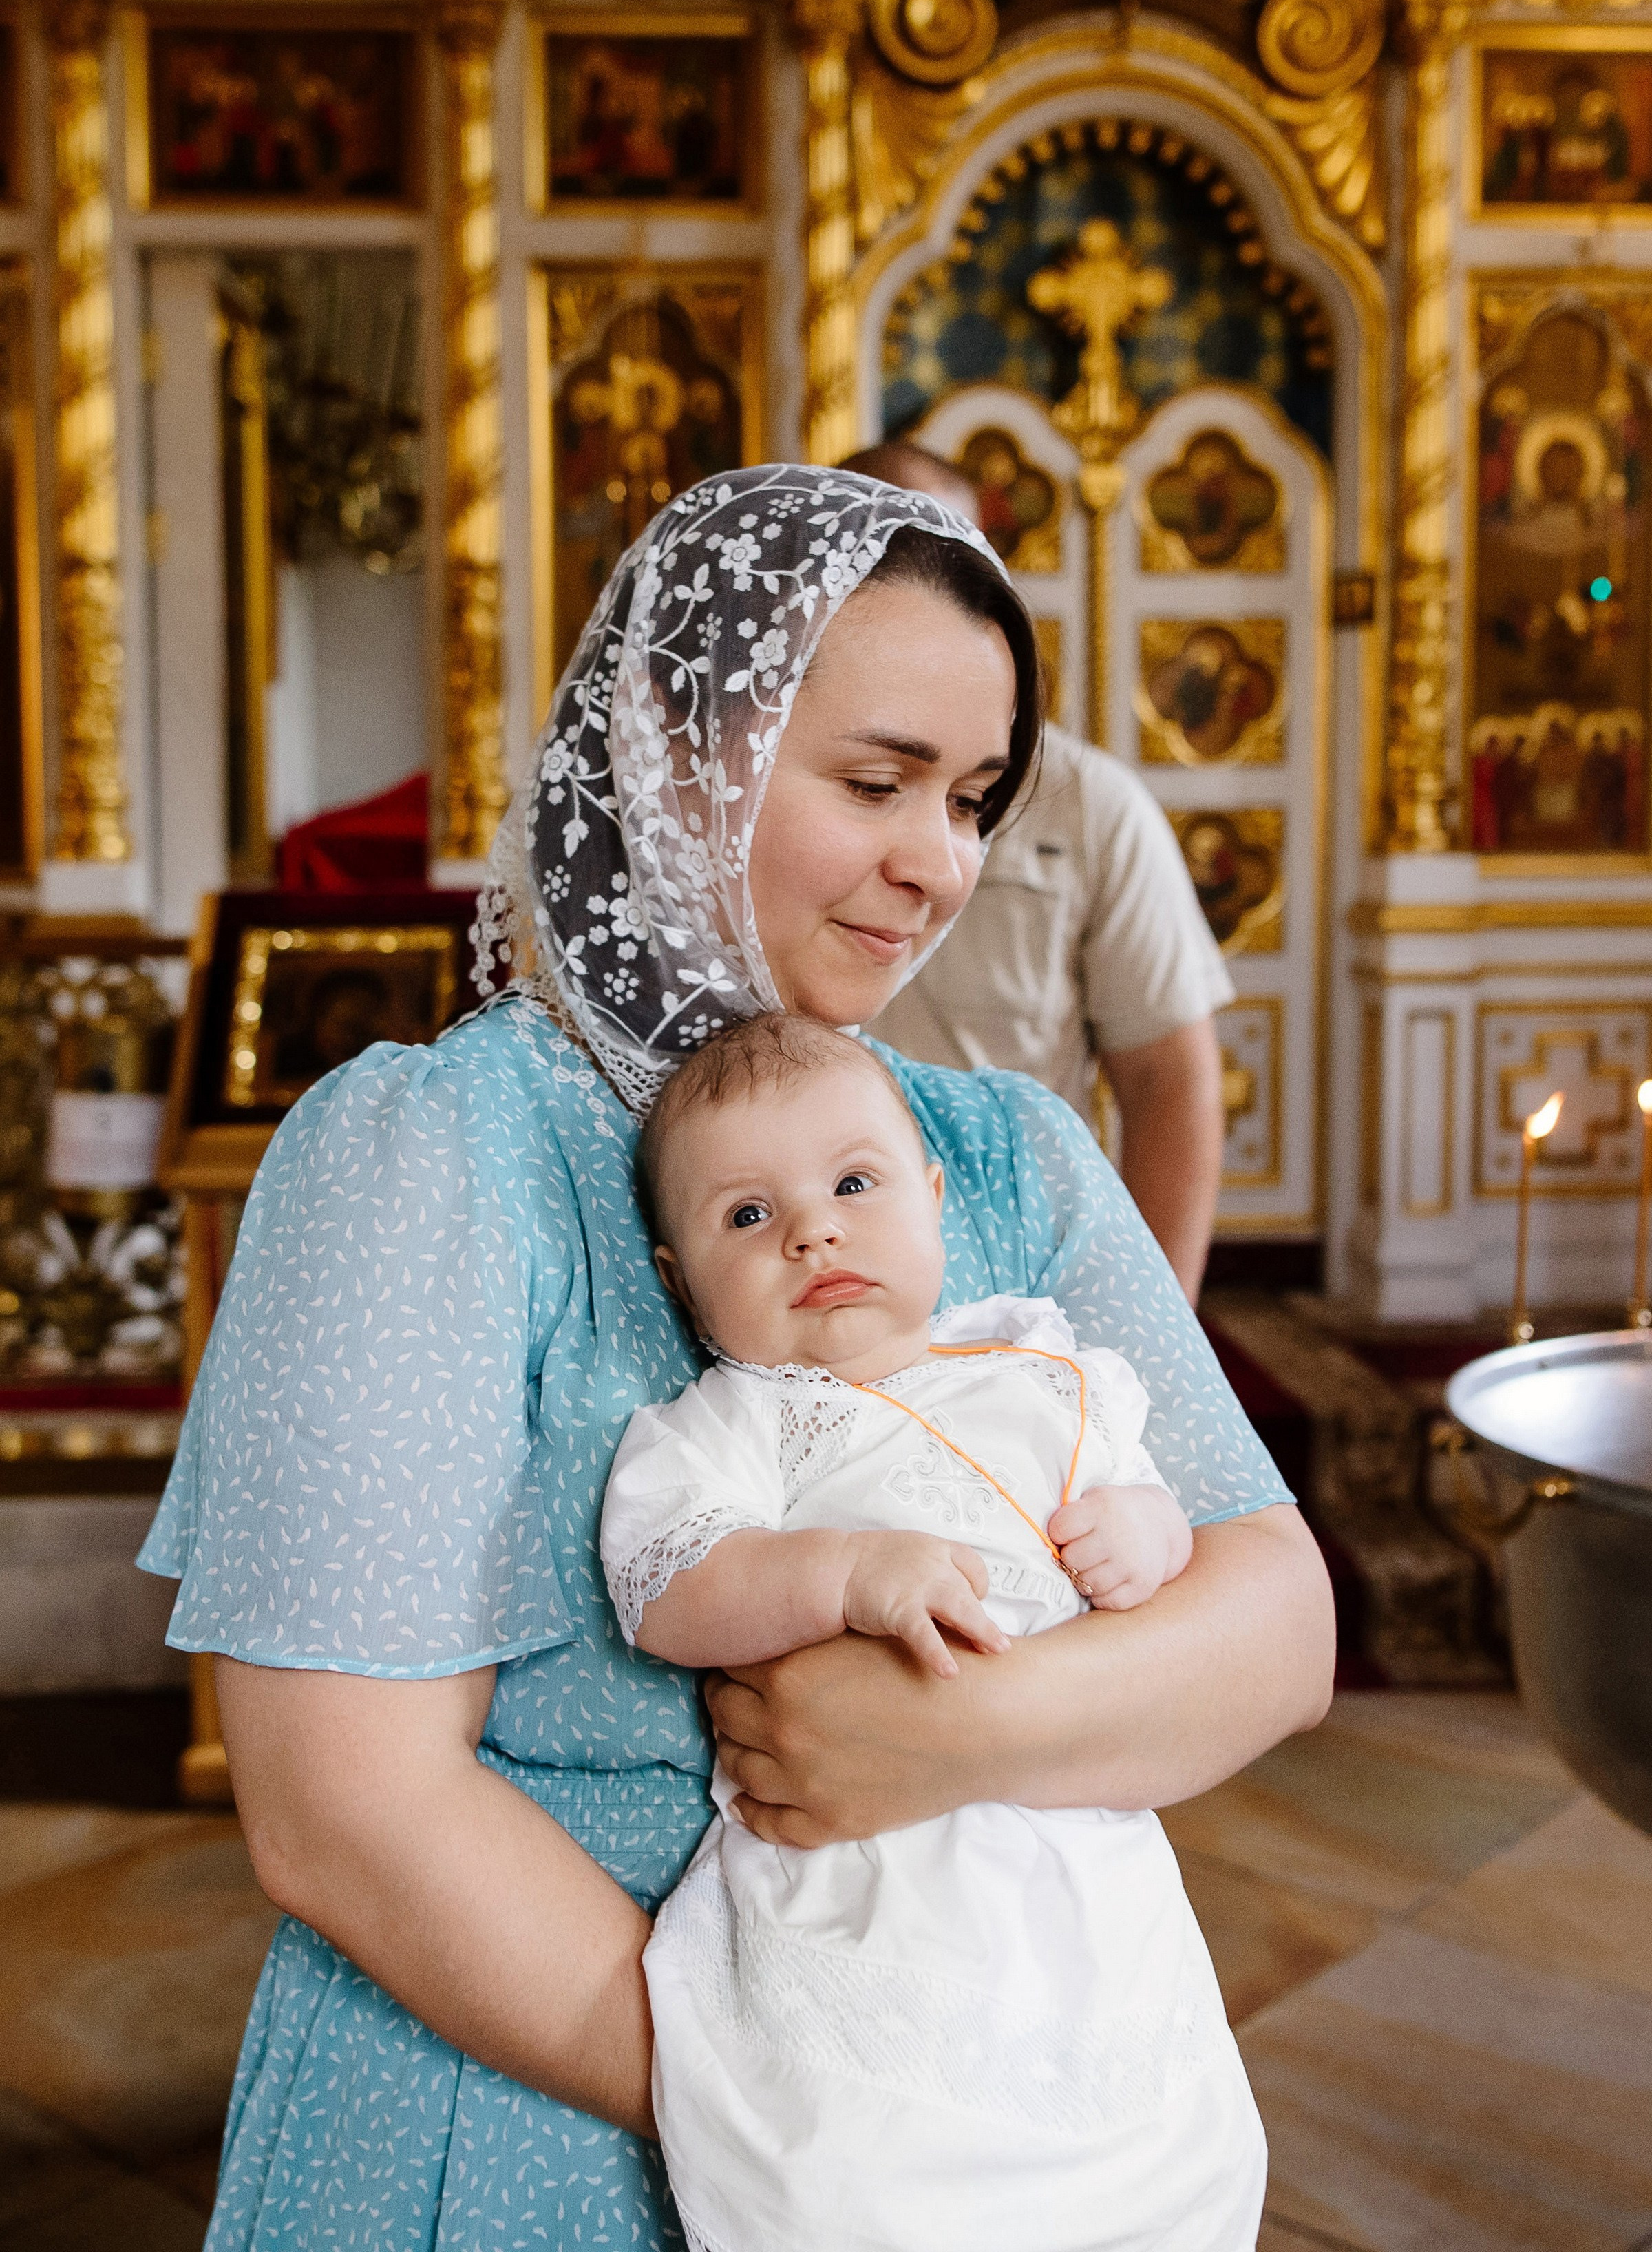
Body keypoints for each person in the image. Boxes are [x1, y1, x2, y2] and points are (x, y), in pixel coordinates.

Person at [138, 465, 1333, 2252]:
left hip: (990, 2131)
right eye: (877, 782)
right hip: (544, 2113)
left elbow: (1277, 1620)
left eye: (976, 798)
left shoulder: (1002, 1153)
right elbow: (342, 1812)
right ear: (674, 748)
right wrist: (804, 2125)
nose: (940, 862)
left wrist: (965, 1734)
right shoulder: (430, 1157)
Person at [603, 1009, 1264, 2252]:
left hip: (1077, 1846)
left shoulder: (1046, 1366)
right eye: (747, 1217)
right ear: (673, 1273)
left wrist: (1152, 1533)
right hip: (877, 1869)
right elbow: (667, 1580)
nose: (814, 1229)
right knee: (867, 2175)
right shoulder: (745, 1418)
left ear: (935, 1195)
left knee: (1152, 2147)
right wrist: (843, 1573)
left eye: (856, 1182)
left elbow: (1161, 1518)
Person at [846, 441, 1231, 1300]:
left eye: (968, 805)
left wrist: (1151, 1326)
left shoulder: (1093, 805)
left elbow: (1169, 1082)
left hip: (1010, 1288)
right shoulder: (752, 794)